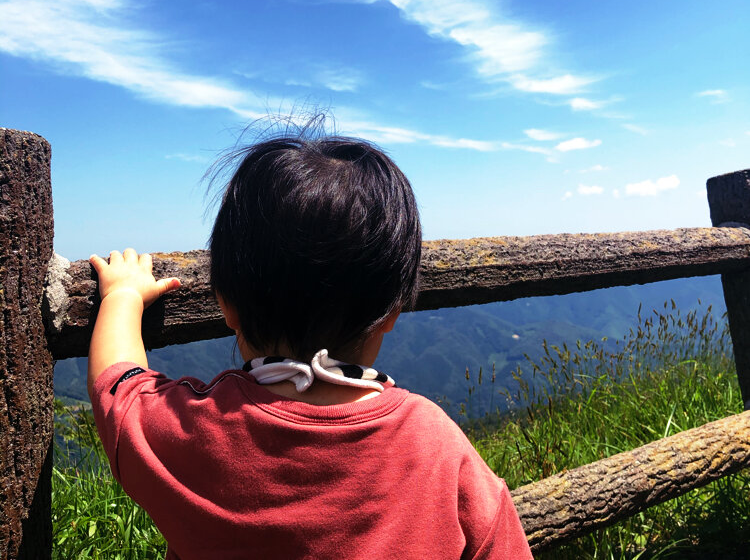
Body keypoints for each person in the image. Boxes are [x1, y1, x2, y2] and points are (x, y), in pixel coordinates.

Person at [88, 134, 533, 559]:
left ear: (226, 304)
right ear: (393, 311)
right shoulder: (436, 445)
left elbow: (119, 386)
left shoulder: (191, 434)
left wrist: (123, 296)